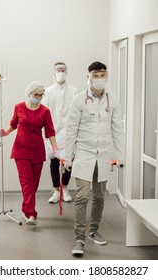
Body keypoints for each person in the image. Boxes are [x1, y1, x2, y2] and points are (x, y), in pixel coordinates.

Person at [64, 61, 125, 256]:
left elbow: (117, 129)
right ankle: (79, 238)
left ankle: (93, 231)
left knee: (99, 196)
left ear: (107, 76)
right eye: (96, 75)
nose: (100, 79)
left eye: (103, 75)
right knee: (83, 196)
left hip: (104, 154)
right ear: (88, 76)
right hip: (83, 154)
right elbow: (71, 130)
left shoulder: (112, 100)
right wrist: (68, 158)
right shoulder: (79, 100)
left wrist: (121, 155)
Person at [0, 81, 57, 225]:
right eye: (35, 94)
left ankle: (26, 208)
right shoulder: (19, 107)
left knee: (34, 184)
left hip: (37, 150)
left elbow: (50, 131)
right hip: (21, 150)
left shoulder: (45, 111)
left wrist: (55, 147)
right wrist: (5, 132)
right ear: (29, 94)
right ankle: (31, 214)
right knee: (27, 182)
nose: (38, 97)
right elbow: (14, 124)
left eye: (40, 95)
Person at [42, 62, 78, 204]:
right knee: (54, 161)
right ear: (54, 72)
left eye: (63, 70)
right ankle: (56, 190)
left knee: (69, 160)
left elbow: (76, 111)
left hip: (69, 131)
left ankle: (65, 188)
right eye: (58, 70)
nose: (61, 72)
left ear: (67, 72)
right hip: (54, 132)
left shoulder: (74, 90)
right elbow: (44, 111)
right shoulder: (48, 91)